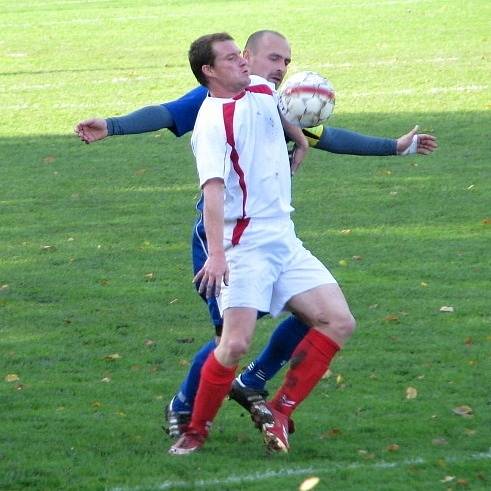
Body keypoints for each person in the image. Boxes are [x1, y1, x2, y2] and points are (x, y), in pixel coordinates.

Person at [74, 30, 438, 440]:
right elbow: (167, 112)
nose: (280, 69)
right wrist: (113, 125)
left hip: (274, 235)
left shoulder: (272, 98)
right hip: (224, 238)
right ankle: (184, 405)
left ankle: (254, 380)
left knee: (316, 315)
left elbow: (325, 136)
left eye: (286, 61)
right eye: (272, 59)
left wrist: (393, 147)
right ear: (244, 58)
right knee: (226, 341)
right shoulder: (217, 99)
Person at [169, 31, 357, 455]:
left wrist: (299, 135)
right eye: (231, 58)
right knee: (234, 343)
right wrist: (217, 257)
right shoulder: (212, 123)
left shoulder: (259, 86)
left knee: (339, 321)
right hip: (243, 244)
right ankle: (195, 431)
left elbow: (278, 103)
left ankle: (281, 411)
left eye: (241, 55)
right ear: (209, 72)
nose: (242, 61)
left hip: (283, 239)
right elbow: (213, 193)